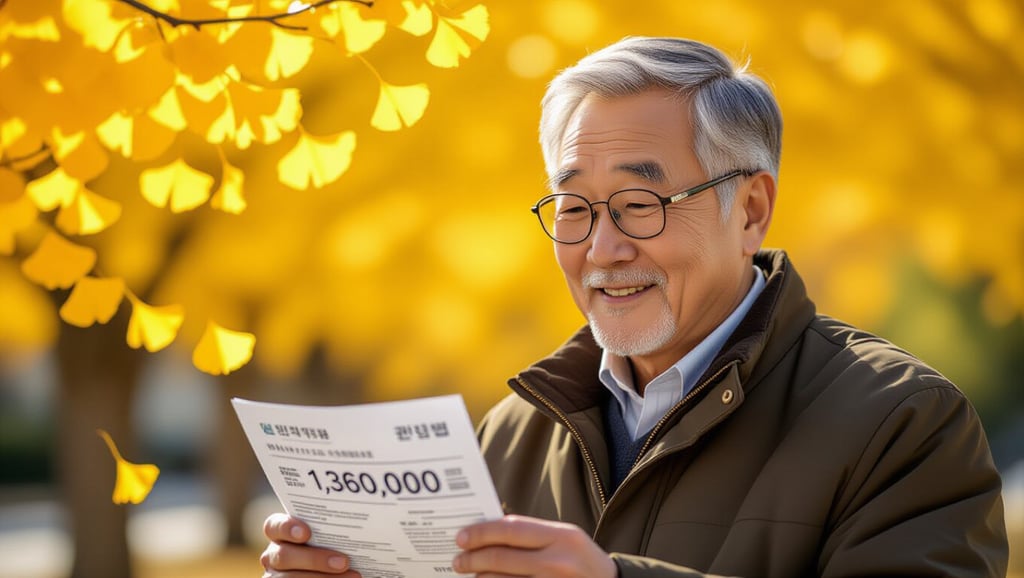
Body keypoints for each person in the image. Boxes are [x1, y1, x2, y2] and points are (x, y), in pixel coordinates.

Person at [260, 36, 1008, 577]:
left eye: (641, 203)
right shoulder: (513, 436)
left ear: (751, 210)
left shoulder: (902, 422)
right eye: (574, 207)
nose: (603, 248)